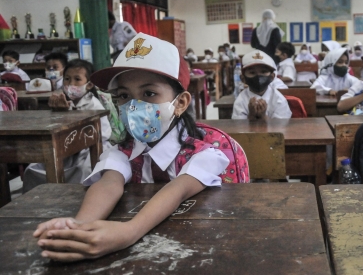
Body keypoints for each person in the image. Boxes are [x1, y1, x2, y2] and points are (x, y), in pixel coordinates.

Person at [33, 35, 230, 262]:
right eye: (124, 96)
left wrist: (129, 231)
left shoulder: (204, 155)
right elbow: (109, 184)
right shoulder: (124, 151)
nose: (134, 106)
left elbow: (178, 190)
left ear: (181, 103)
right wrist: (79, 228)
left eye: (149, 94)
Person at [23, 59, 113, 193]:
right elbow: (54, 129)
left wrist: (68, 114)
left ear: (88, 85)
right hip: (65, 149)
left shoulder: (93, 105)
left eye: (77, 79)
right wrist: (58, 113)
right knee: (32, 169)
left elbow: (102, 133)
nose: (71, 84)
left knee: (85, 170)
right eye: (67, 79)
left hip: (90, 149)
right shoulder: (60, 101)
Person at [232, 50, 291, 120]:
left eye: (263, 72)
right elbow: (238, 128)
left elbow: (282, 127)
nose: (258, 77)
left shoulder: (279, 100)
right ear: (243, 79)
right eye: (252, 72)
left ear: (272, 77)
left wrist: (263, 117)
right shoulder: (240, 101)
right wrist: (251, 115)